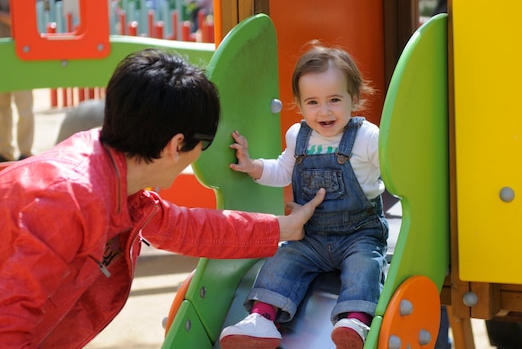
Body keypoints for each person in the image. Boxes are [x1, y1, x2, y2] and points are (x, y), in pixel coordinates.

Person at [0, 48, 326, 348]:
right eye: (206, 142)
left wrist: (285, 228)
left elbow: (187, 228)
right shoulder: (66, 202)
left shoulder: (113, 176)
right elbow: (10, 323)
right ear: (176, 145)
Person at [219, 43, 388, 349]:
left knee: (366, 264)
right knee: (282, 261)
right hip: (310, 235)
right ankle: (262, 319)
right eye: (313, 102)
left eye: (334, 100)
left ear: (355, 99)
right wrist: (253, 166)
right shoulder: (299, 136)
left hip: (359, 233)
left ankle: (355, 321)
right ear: (299, 103)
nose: (324, 111)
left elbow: (394, 171)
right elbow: (282, 171)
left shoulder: (367, 138)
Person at [0, 0, 34, 162]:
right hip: (2, 55)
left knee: (24, 107)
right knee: (2, 106)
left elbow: (20, 22)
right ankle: (4, 150)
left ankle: (25, 150)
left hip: (21, 55)